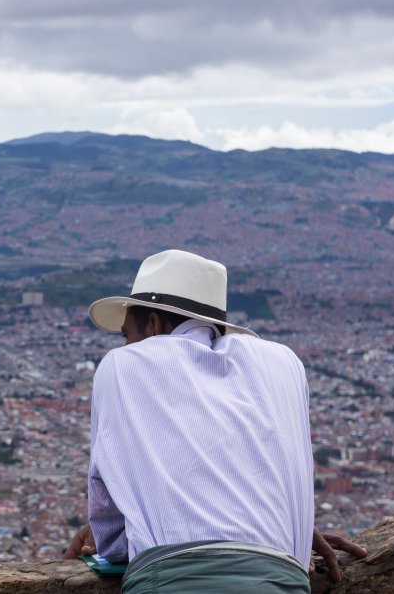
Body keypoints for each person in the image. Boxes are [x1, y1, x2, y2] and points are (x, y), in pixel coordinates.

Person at [64, 249, 366, 592]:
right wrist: (271, 533)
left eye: (126, 334)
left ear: (153, 324)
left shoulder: (123, 365)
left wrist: (120, 534)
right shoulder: (284, 363)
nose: (126, 343)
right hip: (283, 580)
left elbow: (113, 534)